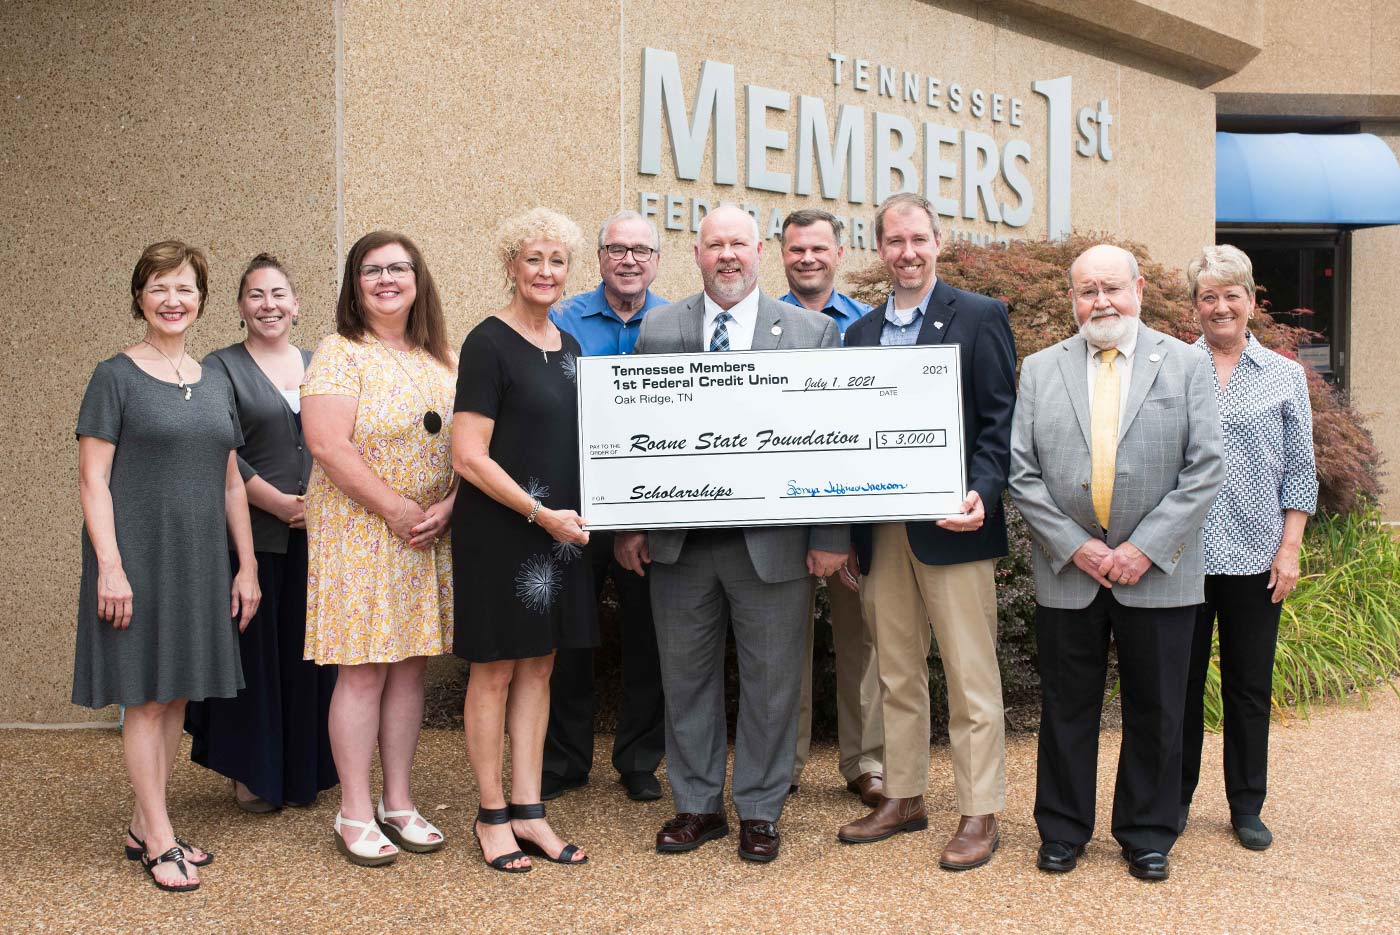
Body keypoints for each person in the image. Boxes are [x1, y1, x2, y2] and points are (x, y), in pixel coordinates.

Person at [614, 204, 850, 864]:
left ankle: (759, 808)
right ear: (695, 253)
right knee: (684, 676)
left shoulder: (811, 331)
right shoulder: (659, 328)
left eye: (738, 244)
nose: (727, 256)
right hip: (680, 542)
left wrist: (831, 531)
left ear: (759, 252)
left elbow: (832, 439)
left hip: (773, 543)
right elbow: (639, 436)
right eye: (715, 244)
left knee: (772, 681)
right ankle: (695, 805)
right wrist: (632, 523)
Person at [1009, 243, 1225, 882]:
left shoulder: (1186, 364)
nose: (1099, 301)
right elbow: (1023, 475)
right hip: (1069, 569)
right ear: (1071, 298)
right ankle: (1063, 830)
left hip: (1158, 570)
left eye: (1111, 288)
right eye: (1086, 290)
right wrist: (1076, 545)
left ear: (1137, 290)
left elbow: (1205, 466)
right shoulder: (1041, 368)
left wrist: (1141, 548)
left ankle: (1148, 831)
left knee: (1157, 708)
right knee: (1066, 708)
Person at [837, 193, 1016, 872]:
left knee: (972, 674)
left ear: (938, 241)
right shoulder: (858, 335)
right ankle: (904, 795)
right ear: (879, 249)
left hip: (956, 523)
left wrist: (984, 491)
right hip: (883, 531)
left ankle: (980, 809)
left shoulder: (979, 316)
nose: (907, 252)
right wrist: (849, 534)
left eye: (918, 239)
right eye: (894, 241)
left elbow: (1000, 422)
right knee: (896, 671)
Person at [74, 240, 260, 892]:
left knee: (175, 691)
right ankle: (159, 837)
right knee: (145, 701)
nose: (173, 300)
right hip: (138, 559)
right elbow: (94, 481)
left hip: (201, 560)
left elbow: (230, 481)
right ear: (139, 297)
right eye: (159, 288)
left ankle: (141, 822)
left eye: (184, 288)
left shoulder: (212, 379)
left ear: (202, 300)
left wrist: (247, 566)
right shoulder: (114, 376)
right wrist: (110, 566)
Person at [302, 231, 457, 867]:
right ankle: (355, 810)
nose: (386, 279)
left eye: (399, 268)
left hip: (426, 533)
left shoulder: (442, 357)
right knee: (363, 670)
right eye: (372, 270)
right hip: (361, 532)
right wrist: (394, 507)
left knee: (411, 667)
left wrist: (450, 506)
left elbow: (469, 446)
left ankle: (399, 801)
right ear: (354, 283)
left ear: (419, 279)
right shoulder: (340, 353)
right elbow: (327, 445)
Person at [453, 207, 597, 873]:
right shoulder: (487, 342)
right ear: (510, 266)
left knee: (541, 665)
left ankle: (531, 810)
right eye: (533, 259)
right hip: (504, 533)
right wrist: (541, 515)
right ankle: (491, 816)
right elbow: (468, 456)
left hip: (558, 535)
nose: (546, 271)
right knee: (495, 669)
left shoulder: (567, 346)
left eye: (557, 260)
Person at [185, 253, 338, 812]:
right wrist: (275, 501)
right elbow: (220, 448)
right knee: (256, 658)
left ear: (296, 306)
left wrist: (317, 502)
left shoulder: (322, 362)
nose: (268, 305)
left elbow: (340, 438)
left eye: (278, 295)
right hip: (251, 537)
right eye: (256, 295)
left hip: (319, 537)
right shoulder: (219, 367)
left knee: (308, 659)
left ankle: (303, 772)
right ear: (241, 307)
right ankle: (251, 771)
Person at [1179, 244, 1317, 851]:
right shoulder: (1173, 368)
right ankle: (1172, 800)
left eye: (1231, 294)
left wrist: (1290, 549)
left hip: (1257, 558)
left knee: (1248, 686)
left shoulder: (1285, 375)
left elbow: (1300, 472)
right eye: (1208, 296)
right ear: (1195, 307)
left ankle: (1246, 805)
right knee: (1177, 685)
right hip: (1180, 557)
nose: (1221, 306)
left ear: (1252, 301)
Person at [542, 210, 668, 803]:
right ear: (599, 258)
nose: (629, 260)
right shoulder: (560, 321)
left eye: (641, 250)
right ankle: (564, 759)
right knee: (569, 641)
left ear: (657, 261)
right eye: (617, 248)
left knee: (650, 639)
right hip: (572, 511)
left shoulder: (675, 324)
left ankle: (640, 759)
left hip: (648, 508)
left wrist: (641, 518)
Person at [777, 209, 883, 808]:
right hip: (782, 509)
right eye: (797, 249)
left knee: (860, 639)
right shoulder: (761, 323)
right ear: (783, 254)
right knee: (780, 641)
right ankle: (782, 761)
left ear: (840, 253)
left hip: (853, 506)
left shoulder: (866, 328)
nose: (808, 258)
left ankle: (865, 762)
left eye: (819, 247)